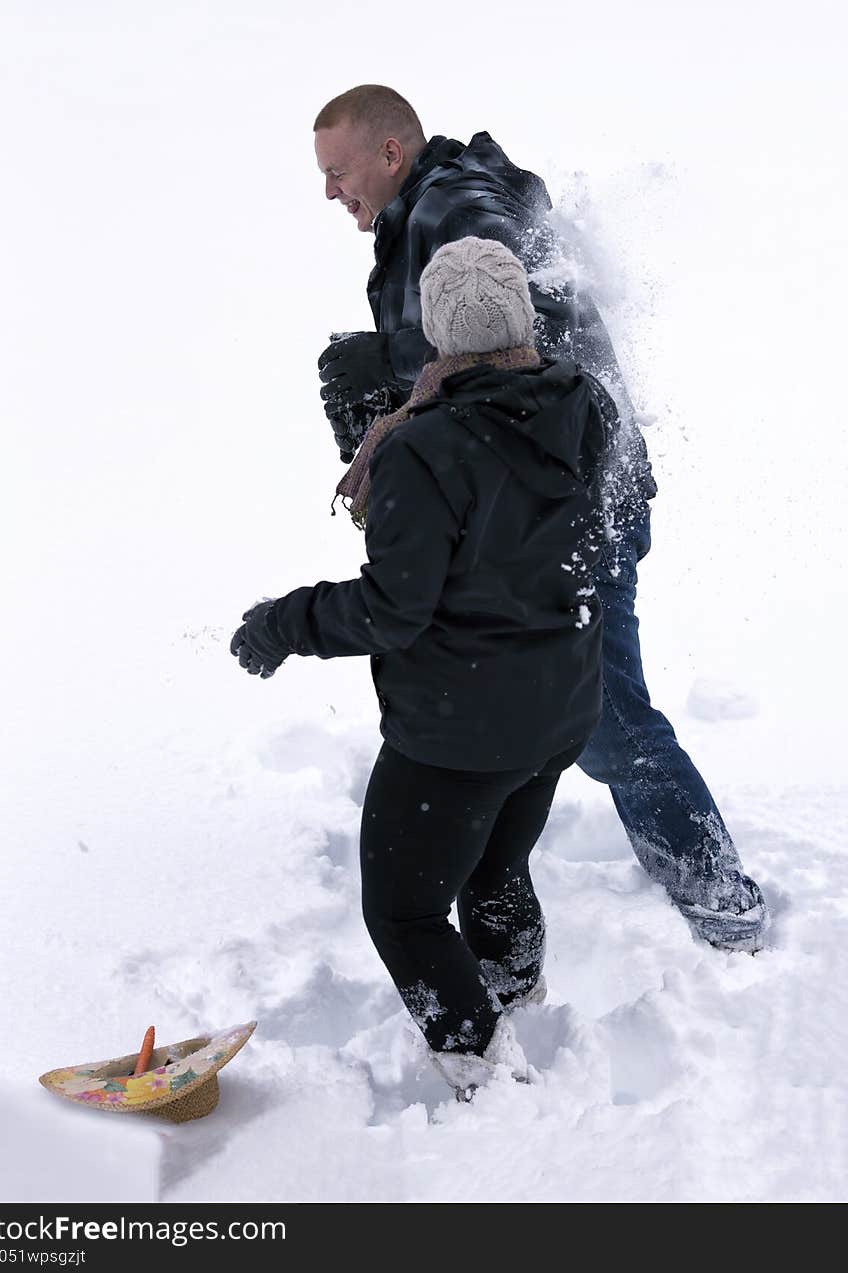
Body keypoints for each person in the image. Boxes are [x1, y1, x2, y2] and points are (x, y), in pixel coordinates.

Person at [312, 84, 769, 953]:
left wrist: (388, 383)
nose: (331, 192)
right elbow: (477, 360)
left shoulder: (459, 208)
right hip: (557, 496)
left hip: (573, 505)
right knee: (566, 701)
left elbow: (517, 339)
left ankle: (722, 899)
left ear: (390, 155)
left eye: (338, 172)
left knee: (608, 717)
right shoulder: (441, 202)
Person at [232, 237, 609, 1096]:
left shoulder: (424, 448)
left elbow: (393, 609)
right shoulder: (586, 407)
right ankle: (517, 995)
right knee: (495, 865)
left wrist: (283, 624)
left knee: (402, 908)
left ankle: (478, 1058)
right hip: (558, 711)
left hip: (458, 732)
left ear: (438, 334)